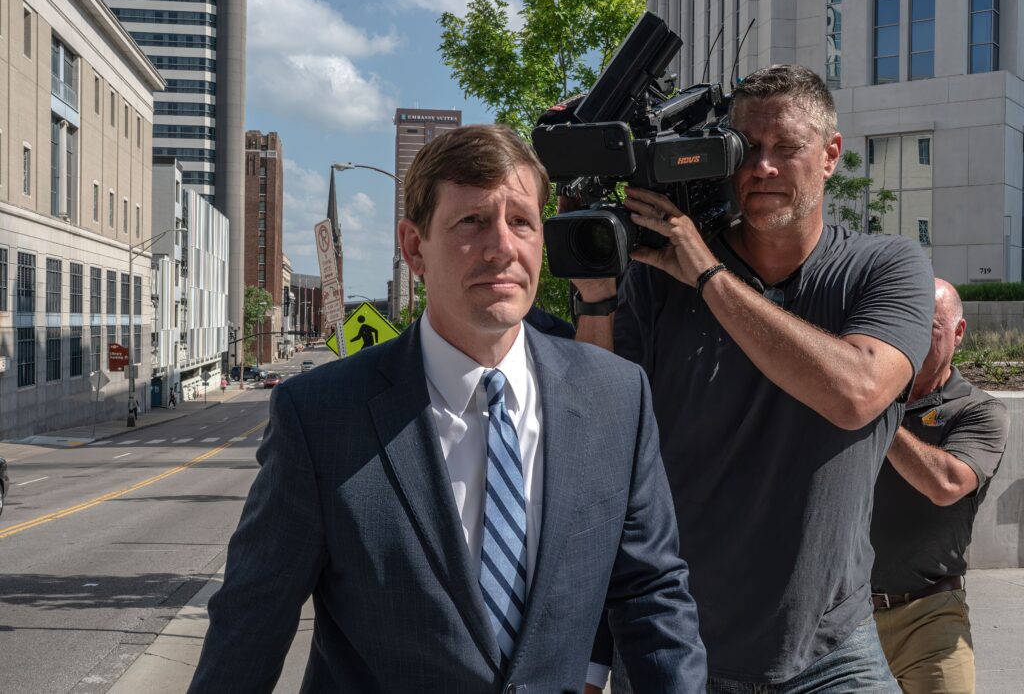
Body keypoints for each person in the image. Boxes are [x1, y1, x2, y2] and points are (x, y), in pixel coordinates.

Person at [190, 124, 707, 693]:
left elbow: (652, 597)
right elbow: (251, 622)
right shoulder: (319, 415)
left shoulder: (617, 395)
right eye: (472, 221)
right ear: (415, 247)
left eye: (521, 222)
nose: (502, 248)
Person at [573, 64, 934, 691]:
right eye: (746, 147)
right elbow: (599, 429)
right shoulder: (658, 271)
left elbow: (856, 394)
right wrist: (597, 298)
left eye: (786, 147)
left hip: (830, 648)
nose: (763, 167)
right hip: (674, 642)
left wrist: (710, 277)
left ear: (830, 155)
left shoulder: (885, 265)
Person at [870, 279, 1008, 692]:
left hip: (931, 615)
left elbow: (946, 483)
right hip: (847, 616)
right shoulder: (870, 398)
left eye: (927, 325)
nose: (911, 336)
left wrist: (875, 411)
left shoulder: (978, 410)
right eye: (905, 321)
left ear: (958, 332)